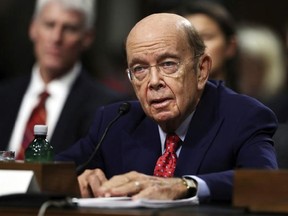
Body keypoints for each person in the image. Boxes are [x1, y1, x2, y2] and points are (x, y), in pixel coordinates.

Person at [56, 13, 278, 203]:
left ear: (201, 70)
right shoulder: (115, 121)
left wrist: (185, 186)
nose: (154, 81)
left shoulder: (243, 116)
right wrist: (75, 179)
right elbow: (49, 172)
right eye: (140, 68)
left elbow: (266, 183)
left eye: (168, 64)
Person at [0, 0, 121, 157]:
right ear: (33, 28)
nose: (56, 38)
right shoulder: (3, 96)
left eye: (69, 28)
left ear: (87, 37)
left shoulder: (107, 109)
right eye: (49, 25)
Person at [176, 1, 237, 90]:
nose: (196, 45)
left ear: (230, 46)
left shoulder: (247, 103)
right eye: (188, 38)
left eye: (206, 37)